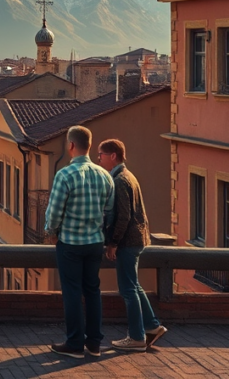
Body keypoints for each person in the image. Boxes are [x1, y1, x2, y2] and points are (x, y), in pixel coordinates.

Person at [45, 125, 115, 359]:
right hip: (95, 242)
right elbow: (109, 210)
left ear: (71, 145)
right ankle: (94, 344)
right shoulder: (105, 175)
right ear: (90, 145)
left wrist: (51, 231)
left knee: (72, 292)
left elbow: (54, 212)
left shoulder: (64, 174)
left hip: (71, 243)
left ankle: (74, 343)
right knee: (93, 291)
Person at [98, 139, 167, 352]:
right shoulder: (129, 176)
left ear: (112, 156)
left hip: (128, 242)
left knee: (127, 289)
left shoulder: (119, 180)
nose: (98, 158)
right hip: (137, 239)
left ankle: (136, 337)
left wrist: (113, 243)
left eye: (100, 154)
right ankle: (153, 327)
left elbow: (123, 217)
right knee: (134, 286)